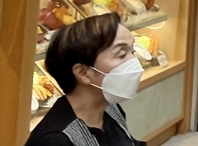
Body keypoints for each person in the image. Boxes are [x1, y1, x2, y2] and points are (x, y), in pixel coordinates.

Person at [25, 13, 144, 146]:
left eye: (132, 52)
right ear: (83, 73)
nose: (134, 61)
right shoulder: (55, 141)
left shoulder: (110, 109)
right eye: (122, 54)